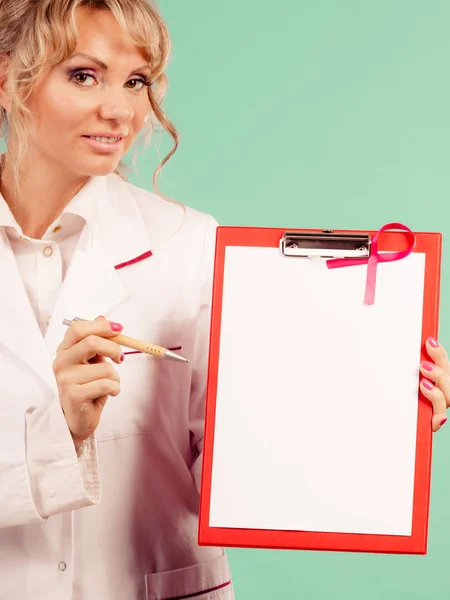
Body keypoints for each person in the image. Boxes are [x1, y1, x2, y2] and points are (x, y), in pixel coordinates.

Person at [0, 1, 447, 599]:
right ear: (7, 78)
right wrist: (63, 432)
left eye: (136, 81)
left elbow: (236, 463)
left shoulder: (190, 244)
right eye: (84, 75)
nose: (120, 110)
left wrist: (374, 419)